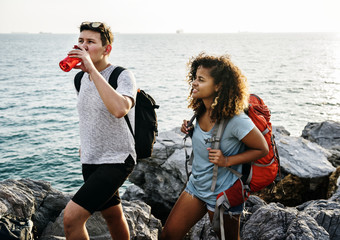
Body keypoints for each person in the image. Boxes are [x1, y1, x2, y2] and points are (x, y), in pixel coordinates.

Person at [160, 53, 269, 240]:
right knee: (168, 235)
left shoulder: (236, 120)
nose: (194, 83)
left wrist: (227, 160)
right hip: (196, 187)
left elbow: (262, 149)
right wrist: (191, 131)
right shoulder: (201, 110)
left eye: (201, 79)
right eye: (194, 78)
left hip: (223, 194)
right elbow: (208, 141)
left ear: (218, 86)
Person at [63, 22, 136, 240]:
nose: (83, 46)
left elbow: (119, 109)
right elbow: (91, 115)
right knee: (113, 215)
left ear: (107, 49)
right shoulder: (79, 78)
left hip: (117, 159)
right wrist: (84, 146)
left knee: (71, 218)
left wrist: (92, 70)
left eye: (90, 42)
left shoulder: (122, 75)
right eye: (81, 41)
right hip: (90, 158)